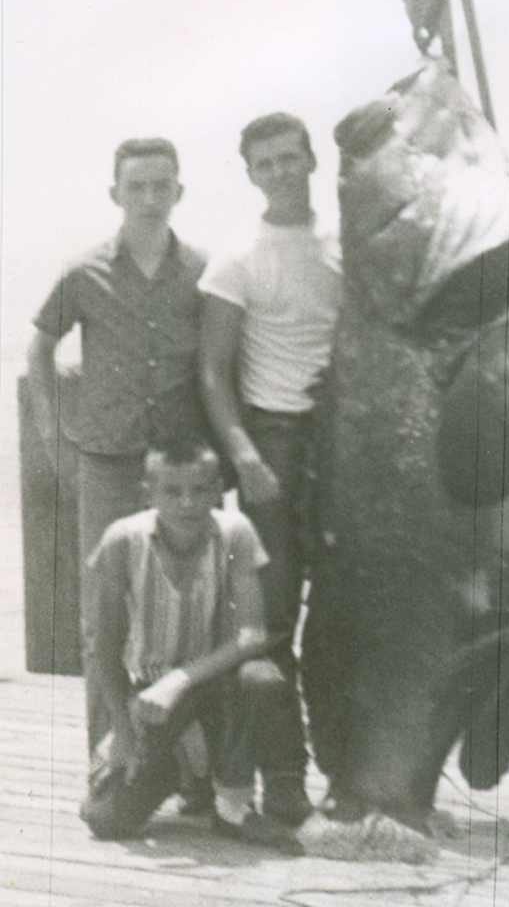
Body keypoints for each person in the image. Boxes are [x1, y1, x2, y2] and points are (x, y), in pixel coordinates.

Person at [27, 138, 209, 754]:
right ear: (116, 194)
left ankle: (189, 771)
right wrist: (54, 432)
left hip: (181, 472)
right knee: (102, 616)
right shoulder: (84, 273)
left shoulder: (205, 272)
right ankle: (107, 759)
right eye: (138, 187)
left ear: (179, 192)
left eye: (162, 186)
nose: (151, 199)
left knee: (192, 614)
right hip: (106, 461)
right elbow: (39, 347)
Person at [198, 113, 341, 821]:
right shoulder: (236, 256)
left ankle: (349, 769)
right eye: (266, 163)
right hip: (273, 442)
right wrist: (246, 456)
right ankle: (286, 775)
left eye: (291, 157)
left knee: (349, 615)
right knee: (275, 618)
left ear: (312, 159)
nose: (281, 171)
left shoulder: (351, 244)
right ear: (251, 173)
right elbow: (212, 371)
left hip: (345, 444)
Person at [80, 439, 312, 846]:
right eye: (172, 491)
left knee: (260, 678)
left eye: (200, 489)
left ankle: (232, 808)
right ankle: (185, 769)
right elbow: (104, 646)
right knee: (106, 818)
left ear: (218, 489)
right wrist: (123, 732)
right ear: (148, 494)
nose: (187, 503)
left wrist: (179, 681)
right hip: (149, 696)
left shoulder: (235, 533)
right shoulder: (122, 540)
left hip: (213, 682)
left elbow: (252, 635)